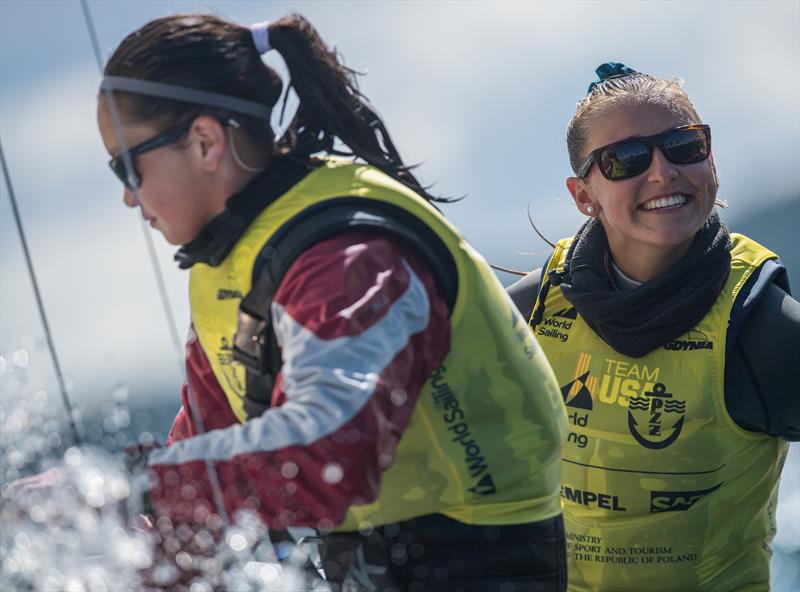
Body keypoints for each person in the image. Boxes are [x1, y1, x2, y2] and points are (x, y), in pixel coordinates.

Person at [94, 13, 568, 592]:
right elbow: (205, 484)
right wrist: (99, 535)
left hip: (478, 565)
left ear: (204, 142)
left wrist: (128, 485)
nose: (126, 195)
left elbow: (329, 460)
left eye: (127, 166)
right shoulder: (231, 261)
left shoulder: (348, 256)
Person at [508, 62, 800, 591]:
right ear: (583, 196)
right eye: (626, 160)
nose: (663, 172)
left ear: (711, 162)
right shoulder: (531, 313)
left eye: (683, 145)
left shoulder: (764, 332)